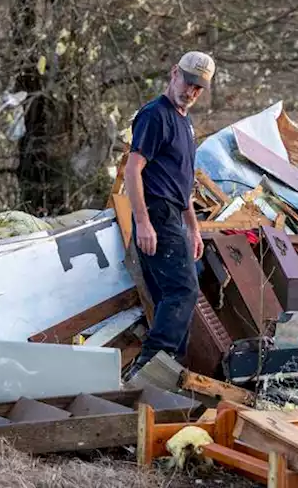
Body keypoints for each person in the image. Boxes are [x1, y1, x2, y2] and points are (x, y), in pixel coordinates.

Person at [123, 51, 215, 378]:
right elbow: (132, 171)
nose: (191, 91)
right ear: (174, 73)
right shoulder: (155, 115)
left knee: (171, 299)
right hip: (157, 214)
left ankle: (169, 375)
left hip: (174, 214)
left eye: (198, 88)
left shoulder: (185, 122)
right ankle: (148, 371)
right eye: (188, 82)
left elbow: (183, 185)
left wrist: (194, 228)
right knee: (183, 290)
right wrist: (144, 221)